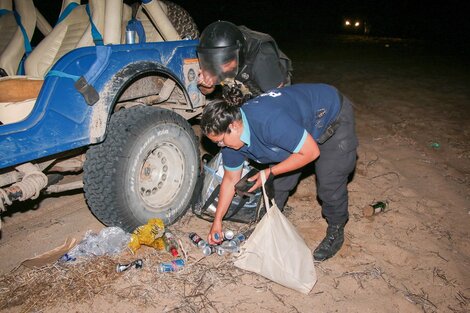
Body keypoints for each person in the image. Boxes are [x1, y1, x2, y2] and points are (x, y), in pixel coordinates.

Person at [200, 83, 358, 261]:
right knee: (280, 182)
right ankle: (269, 221)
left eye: (221, 141)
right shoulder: (232, 142)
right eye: (217, 143)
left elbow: (311, 152)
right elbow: (230, 180)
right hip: (295, 125)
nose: (221, 146)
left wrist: (269, 172)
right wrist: (217, 220)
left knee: (330, 183)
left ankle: (336, 229)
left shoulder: (268, 122)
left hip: (328, 116)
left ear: (235, 125)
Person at [197, 20, 292, 104]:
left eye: (225, 63)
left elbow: (277, 100)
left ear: (239, 54)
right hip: (243, 79)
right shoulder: (219, 57)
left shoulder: (262, 57)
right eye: (216, 63)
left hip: (270, 82)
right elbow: (206, 91)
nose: (220, 69)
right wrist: (207, 86)